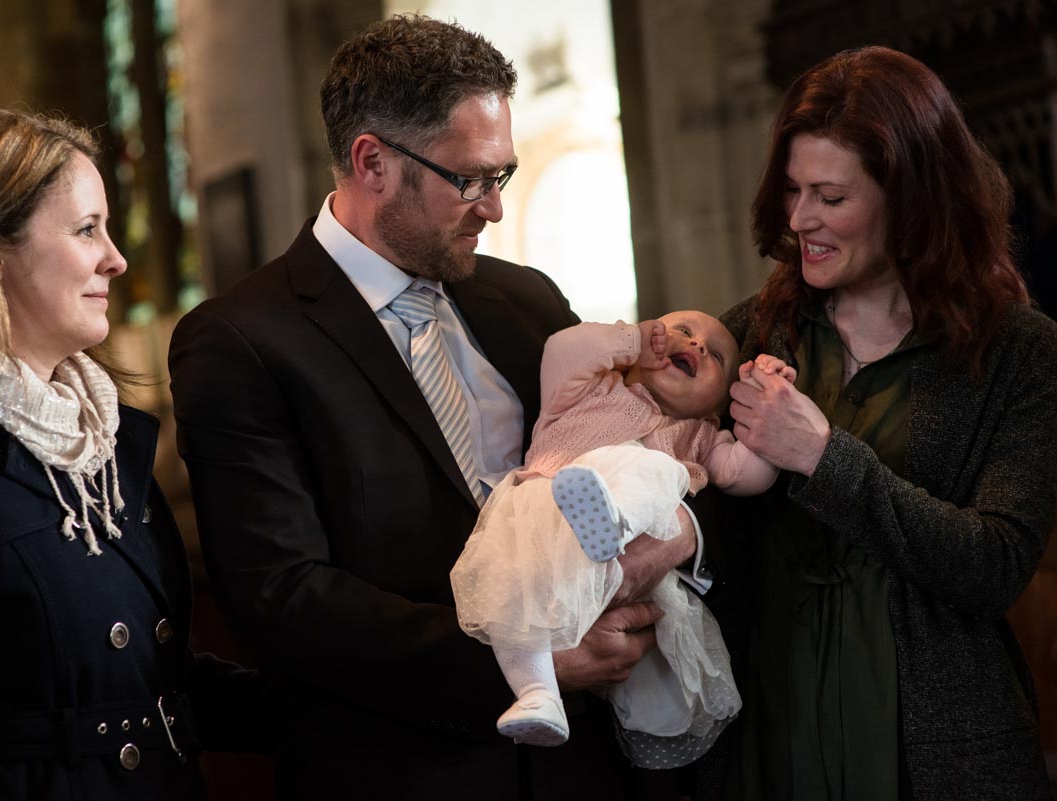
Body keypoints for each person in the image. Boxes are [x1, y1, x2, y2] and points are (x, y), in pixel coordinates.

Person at [168, 13, 703, 801]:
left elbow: (641, 448)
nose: (492, 207)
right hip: (407, 768)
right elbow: (283, 597)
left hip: (584, 766)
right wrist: (523, 662)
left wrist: (680, 537)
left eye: (503, 176)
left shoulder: (525, 300)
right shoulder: (242, 339)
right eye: (471, 178)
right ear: (372, 161)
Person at [0, 108, 269, 801]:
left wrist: (368, 708)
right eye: (87, 229)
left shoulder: (108, 446)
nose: (117, 256)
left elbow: (147, 682)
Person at [711, 46, 1057, 800]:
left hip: (942, 747)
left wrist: (823, 455)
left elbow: (994, 565)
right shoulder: (753, 334)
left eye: (831, 197)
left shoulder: (1020, 353)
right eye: (795, 190)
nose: (801, 219)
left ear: (912, 199)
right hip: (774, 721)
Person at [451, 314, 792, 767]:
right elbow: (562, 348)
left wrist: (766, 401)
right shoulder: (591, 388)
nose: (697, 344)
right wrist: (632, 339)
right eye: (683, 329)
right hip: (544, 523)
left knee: (655, 470)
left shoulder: (702, 435)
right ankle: (537, 693)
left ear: (715, 405)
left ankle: (613, 523)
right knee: (512, 610)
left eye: (717, 356)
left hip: (632, 553)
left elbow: (750, 475)